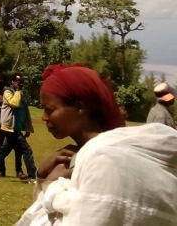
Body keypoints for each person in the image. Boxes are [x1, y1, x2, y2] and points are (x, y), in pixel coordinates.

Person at [17, 63, 177, 225]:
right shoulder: (83, 156)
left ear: (79, 108)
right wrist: (43, 176)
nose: (44, 117)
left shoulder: (104, 162)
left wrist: (51, 184)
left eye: (49, 109)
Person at [0, 74, 36, 180]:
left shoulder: (18, 93)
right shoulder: (8, 92)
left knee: (4, 150)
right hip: (10, 128)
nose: (20, 84)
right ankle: (33, 176)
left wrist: (26, 128)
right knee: (27, 150)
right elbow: (15, 103)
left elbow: (23, 111)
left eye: (22, 82)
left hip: (15, 127)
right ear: (12, 82)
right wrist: (17, 91)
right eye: (18, 82)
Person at [0, 74, 22, 177]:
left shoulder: (8, 90)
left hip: (11, 122)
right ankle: (1, 169)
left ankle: (19, 170)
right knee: (0, 146)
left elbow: (16, 104)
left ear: (3, 80)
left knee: (18, 147)